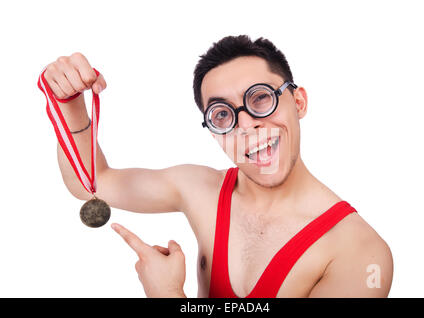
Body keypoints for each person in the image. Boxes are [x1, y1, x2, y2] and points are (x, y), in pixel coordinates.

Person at [41, 35, 393, 298]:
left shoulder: (360, 253)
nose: (245, 125)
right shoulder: (200, 191)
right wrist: (69, 103)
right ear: (213, 131)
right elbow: (92, 182)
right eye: (223, 114)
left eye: (260, 98)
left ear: (298, 101)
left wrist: (168, 295)